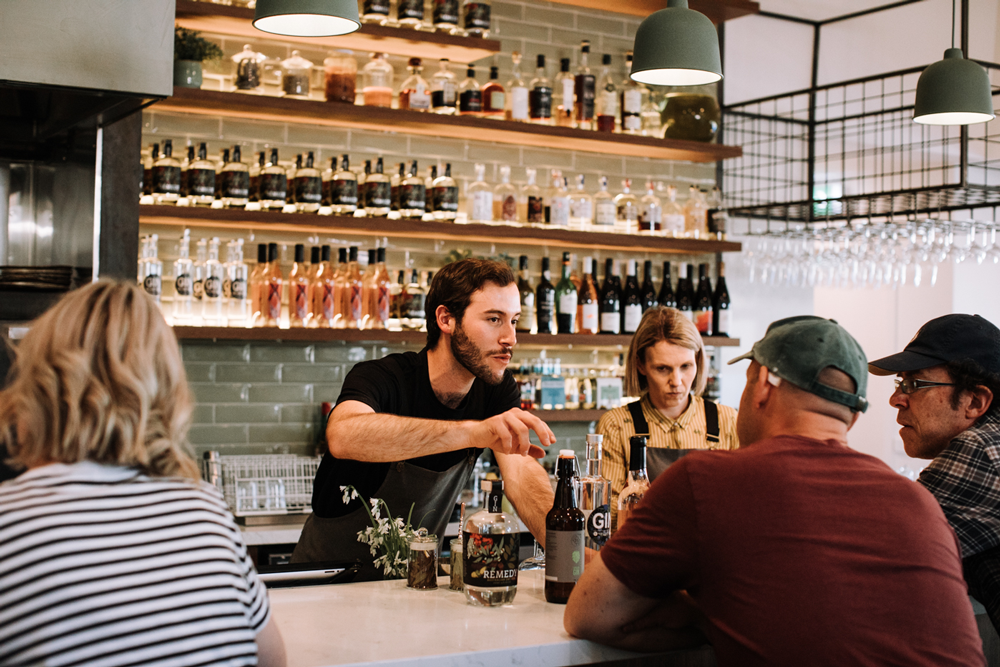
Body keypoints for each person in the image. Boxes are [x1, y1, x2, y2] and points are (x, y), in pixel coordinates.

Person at [564, 316, 985, 666]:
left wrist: (702, 618)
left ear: (762, 382)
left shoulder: (703, 481)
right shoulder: (921, 503)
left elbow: (590, 616)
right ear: (852, 415)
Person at [0, 281, 286, 667]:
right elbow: (272, 660)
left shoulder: (10, 521)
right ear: (167, 393)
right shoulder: (203, 507)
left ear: (34, 384)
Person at [293, 258, 555, 579]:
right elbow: (343, 435)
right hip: (325, 581)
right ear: (446, 319)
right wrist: (475, 432)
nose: (510, 338)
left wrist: (568, 552)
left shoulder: (495, 390)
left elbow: (522, 477)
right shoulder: (384, 378)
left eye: (513, 321)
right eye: (493, 319)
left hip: (413, 583)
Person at [868, 313, 1000, 631]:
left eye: (915, 384)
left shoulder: (984, 447)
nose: (896, 399)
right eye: (901, 382)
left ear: (975, 401)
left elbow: (878, 550)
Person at [596, 306, 738, 529]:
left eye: (686, 366)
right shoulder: (617, 425)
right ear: (641, 365)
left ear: (698, 361)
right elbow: (608, 514)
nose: (677, 381)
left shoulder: (727, 421)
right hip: (644, 557)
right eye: (663, 369)